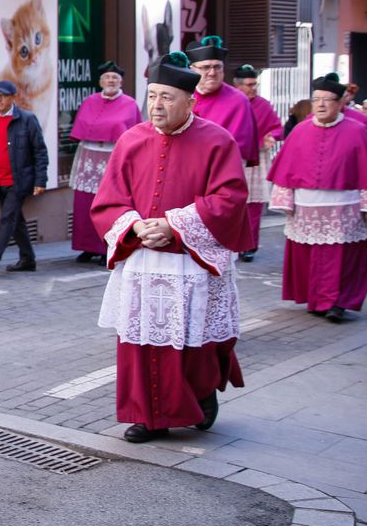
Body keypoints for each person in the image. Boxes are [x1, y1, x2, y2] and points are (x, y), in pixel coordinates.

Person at [92, 52, 248, 443]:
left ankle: (200, 396)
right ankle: (148, 415)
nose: (157, 105)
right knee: (140, 341)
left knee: (193, 338)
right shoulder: (131, 140)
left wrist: (175, 226)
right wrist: (135, 225)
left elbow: (230, 198)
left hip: (189, 260)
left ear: (190, 102)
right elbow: (109, 199)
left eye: (167, 97)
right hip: (143, 257)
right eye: (152, 96)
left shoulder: (218, 141)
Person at [268, 76, 367, 323]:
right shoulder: (300, 131)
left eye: (327, 100)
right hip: (306, 205)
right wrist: (284, 199)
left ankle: (337, 302)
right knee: (309, 256)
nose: (320, 105)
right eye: (316, 100)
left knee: (340, 259)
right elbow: (285, 170)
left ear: (340, 103)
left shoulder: (357, 132)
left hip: (344, 206)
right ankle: (316, 299)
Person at [185, 35, 258, 255]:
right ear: (192, 68)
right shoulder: (181, 94)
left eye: (217, 67)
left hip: (216, 188)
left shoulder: (238, 101)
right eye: (205, 67)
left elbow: (239, 151)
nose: (212, 72)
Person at [0, 79, 48, 276]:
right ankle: (28, 259)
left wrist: (40, 180)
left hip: (20, 181)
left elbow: (40, 151)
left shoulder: (26, 119)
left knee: (7, 219)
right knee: (16, 220)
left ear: (13, 98)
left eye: (3, 96)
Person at [67, 62, 140, 265]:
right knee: (84, 203)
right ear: (101, 81)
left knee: (108, 203)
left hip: (112, 157)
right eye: (107, 78)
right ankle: (86, 247)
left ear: (121, 82)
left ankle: (106, 247)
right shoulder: (90, 101)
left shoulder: (129, 104)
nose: (111, 81)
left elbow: (133, 135)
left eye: (115, 78)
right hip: (88, 156)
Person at [230, 64, 283, 261]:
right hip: (232, 157)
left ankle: (250, 245)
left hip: (255, 157)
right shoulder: (229, 102)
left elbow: (278, 127)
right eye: (250, 84)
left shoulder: (263, 104)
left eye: (255, 84)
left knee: (253, 203)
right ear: (238, 86)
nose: (254, 88)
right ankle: (232, 241)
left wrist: (272, 135)